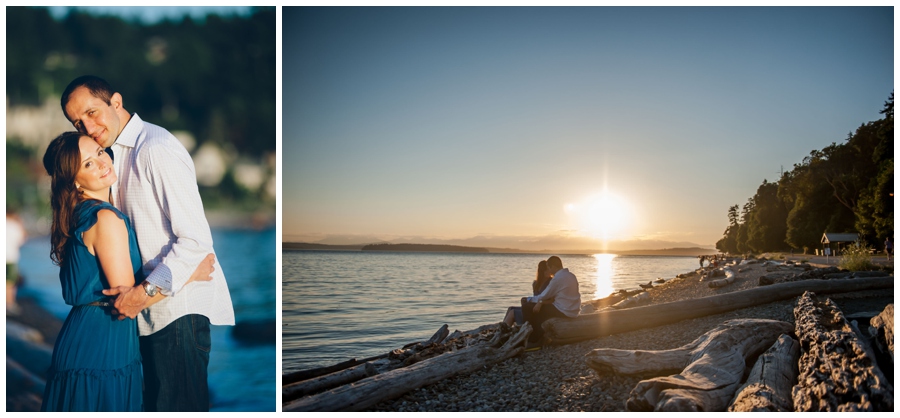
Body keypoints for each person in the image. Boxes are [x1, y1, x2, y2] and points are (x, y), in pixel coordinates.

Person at [61, 75, 235, 411]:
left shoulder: (155, 149)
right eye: (78, 122)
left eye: (93, 113)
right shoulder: (111, 158)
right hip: (147, 315)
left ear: (116, 101)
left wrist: (140, 296)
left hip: (175, 315)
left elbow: (196, 240)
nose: (89, 126)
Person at [39, 132, 215, 411]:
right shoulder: (105, 218)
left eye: (98, 152)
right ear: (74, 180)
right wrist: (189, 273)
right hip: (103, 342)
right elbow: (127, 303)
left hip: (83, 337)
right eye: (87, 164)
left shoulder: (79, 215)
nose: (101, 163)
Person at [521, 256, 581, 350]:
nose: (548, 270)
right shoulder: (571, 275)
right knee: (540, 310)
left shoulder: (557, 278)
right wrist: (540, 302)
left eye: (549, 267)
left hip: (563, 310)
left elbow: (544, 295)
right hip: (573, 310)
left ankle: (533, 341)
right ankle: (534, 336)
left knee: (526, 307)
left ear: (553, 266)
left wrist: (528, 299)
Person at [502, 260, 553, 326]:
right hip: (533, 307)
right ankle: (502, 328)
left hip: (542, 309)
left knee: (512, 313)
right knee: (511, 308)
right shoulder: (536, 284)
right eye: (545, 270)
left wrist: (539, 302)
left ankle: (504, 330)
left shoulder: (551, 283)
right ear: (541, 271)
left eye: (548, 269)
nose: (548, 271)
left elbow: (551, 299)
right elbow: (535, 297)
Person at [6, 210, 27, 314]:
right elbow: (21, 240)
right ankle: (9, 304)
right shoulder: (15, 225)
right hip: (10, 257)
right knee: (10, 282)